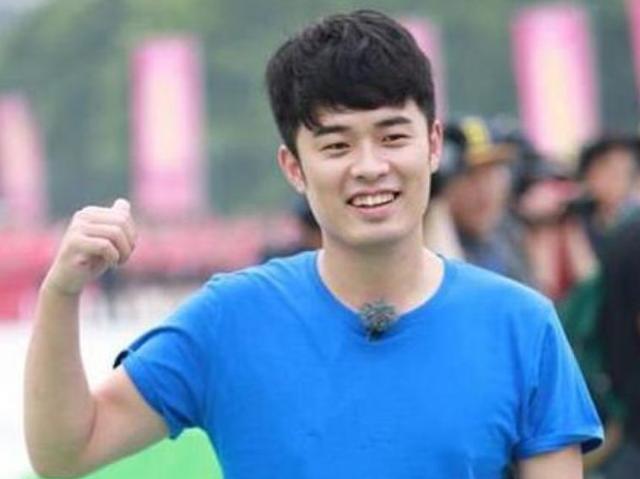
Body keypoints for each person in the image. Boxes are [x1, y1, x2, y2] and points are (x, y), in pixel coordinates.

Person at [25, 10, 603, 479]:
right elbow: (66, 451)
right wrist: (61, 292)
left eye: (392, 136)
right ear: (294, 168)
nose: (369, 166)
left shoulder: (521, 325)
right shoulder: (232, 318)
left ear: (431, 146)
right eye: (336, 146)